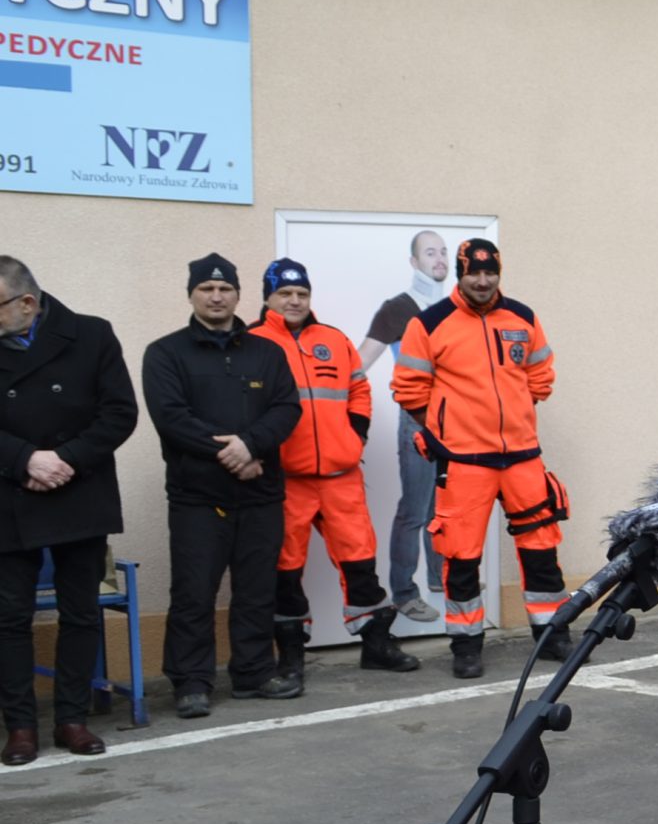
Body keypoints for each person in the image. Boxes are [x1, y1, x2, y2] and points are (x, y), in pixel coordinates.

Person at [389, 238, 567, 680]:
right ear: (459, 273)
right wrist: (443, 432)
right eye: (474, 273)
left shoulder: (522, 318)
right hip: (465, 461)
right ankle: (466, 645)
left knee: (541, 546)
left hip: (523, 457)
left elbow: (541, 376)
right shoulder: (430, 323)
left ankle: (552, 634)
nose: (483, 281)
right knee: (461, 555)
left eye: (491, 273)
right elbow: (409, 388)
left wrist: (516, 414)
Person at [141, 254, 306, 717]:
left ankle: (253, 673)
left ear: (238, 295)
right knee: (194, 592)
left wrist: (251, 444)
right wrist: (234, 457)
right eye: (206, 289)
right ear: (191, 295)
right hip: (197, 498)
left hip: (260, 494)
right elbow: (172, 419)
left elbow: (286, 409)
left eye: (225, 289)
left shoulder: (267, 352)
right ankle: (191, 682)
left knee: (256, 590)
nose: (216, 296)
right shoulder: (165, 353)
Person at [250, 259, 419, 678]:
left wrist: (353, 435)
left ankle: (376, 644)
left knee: (360, 560)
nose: (294, 301)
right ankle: (290, 655)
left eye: (301, 294)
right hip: (285, 479)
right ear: (268, 298)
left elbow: (358, 388)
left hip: (341, 476)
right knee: (285, 569)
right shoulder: (251, 343)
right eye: (284, 294)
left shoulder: (334, 340)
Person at [0, 257, 138, 764]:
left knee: (80, 614)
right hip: (10, 494)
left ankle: (72, 719)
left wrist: (66, 458)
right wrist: (24, 459)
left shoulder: (92, 335)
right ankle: (19, 727)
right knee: (9, 618)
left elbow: (120, 412)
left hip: (80, 491)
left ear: (27, 304)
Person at [360, 229, 447, 622]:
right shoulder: (397, 308)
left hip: (453, 423)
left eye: (444, 252)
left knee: (439, 506)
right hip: (415, 420)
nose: (439, 259)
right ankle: (403, 592)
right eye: (430, 252)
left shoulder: (455, 308)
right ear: (414, 262)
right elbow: (358, 364)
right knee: (414, 509)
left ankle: (438, 579)